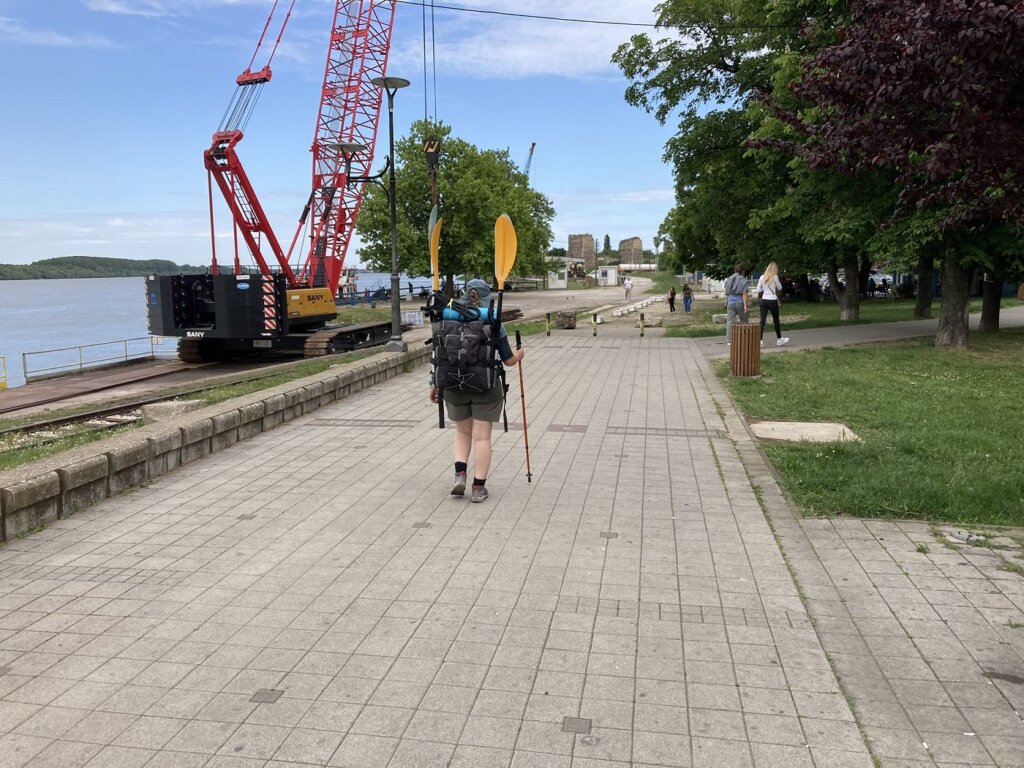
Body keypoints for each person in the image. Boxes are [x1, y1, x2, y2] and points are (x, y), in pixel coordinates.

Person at [429, 278, 524, 503]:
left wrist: (434, 385)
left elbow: (437, 355)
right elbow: (508, 360)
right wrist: (520, 355)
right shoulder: (492, 320)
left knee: (462, 432)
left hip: (452, 383)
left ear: (463, 293)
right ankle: (478, 488)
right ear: (485, 296)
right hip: (485, 386)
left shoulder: (446, 318)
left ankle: (459, 475)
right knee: (482, 438)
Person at [755, 261, 789, 347]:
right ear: (775, 269)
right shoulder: (775, 277)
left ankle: (760, 340)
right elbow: (780, 288)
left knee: (762, 320)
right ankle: (779, 339)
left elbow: (758, 290)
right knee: (776, 320)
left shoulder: (762, 277)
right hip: (772, 301)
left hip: (764, 300)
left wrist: (765, 288)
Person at [723, 264, 749, 345]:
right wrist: (745, 305)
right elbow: (744, 294)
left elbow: (726, 292)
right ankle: (746, 338)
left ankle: (729, 341)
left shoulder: (728, 279)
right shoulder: (744, 280)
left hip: (730, 302)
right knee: (744, 320)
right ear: (743, 271)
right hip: (740, 302)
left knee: (730, 321)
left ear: (735, 270)